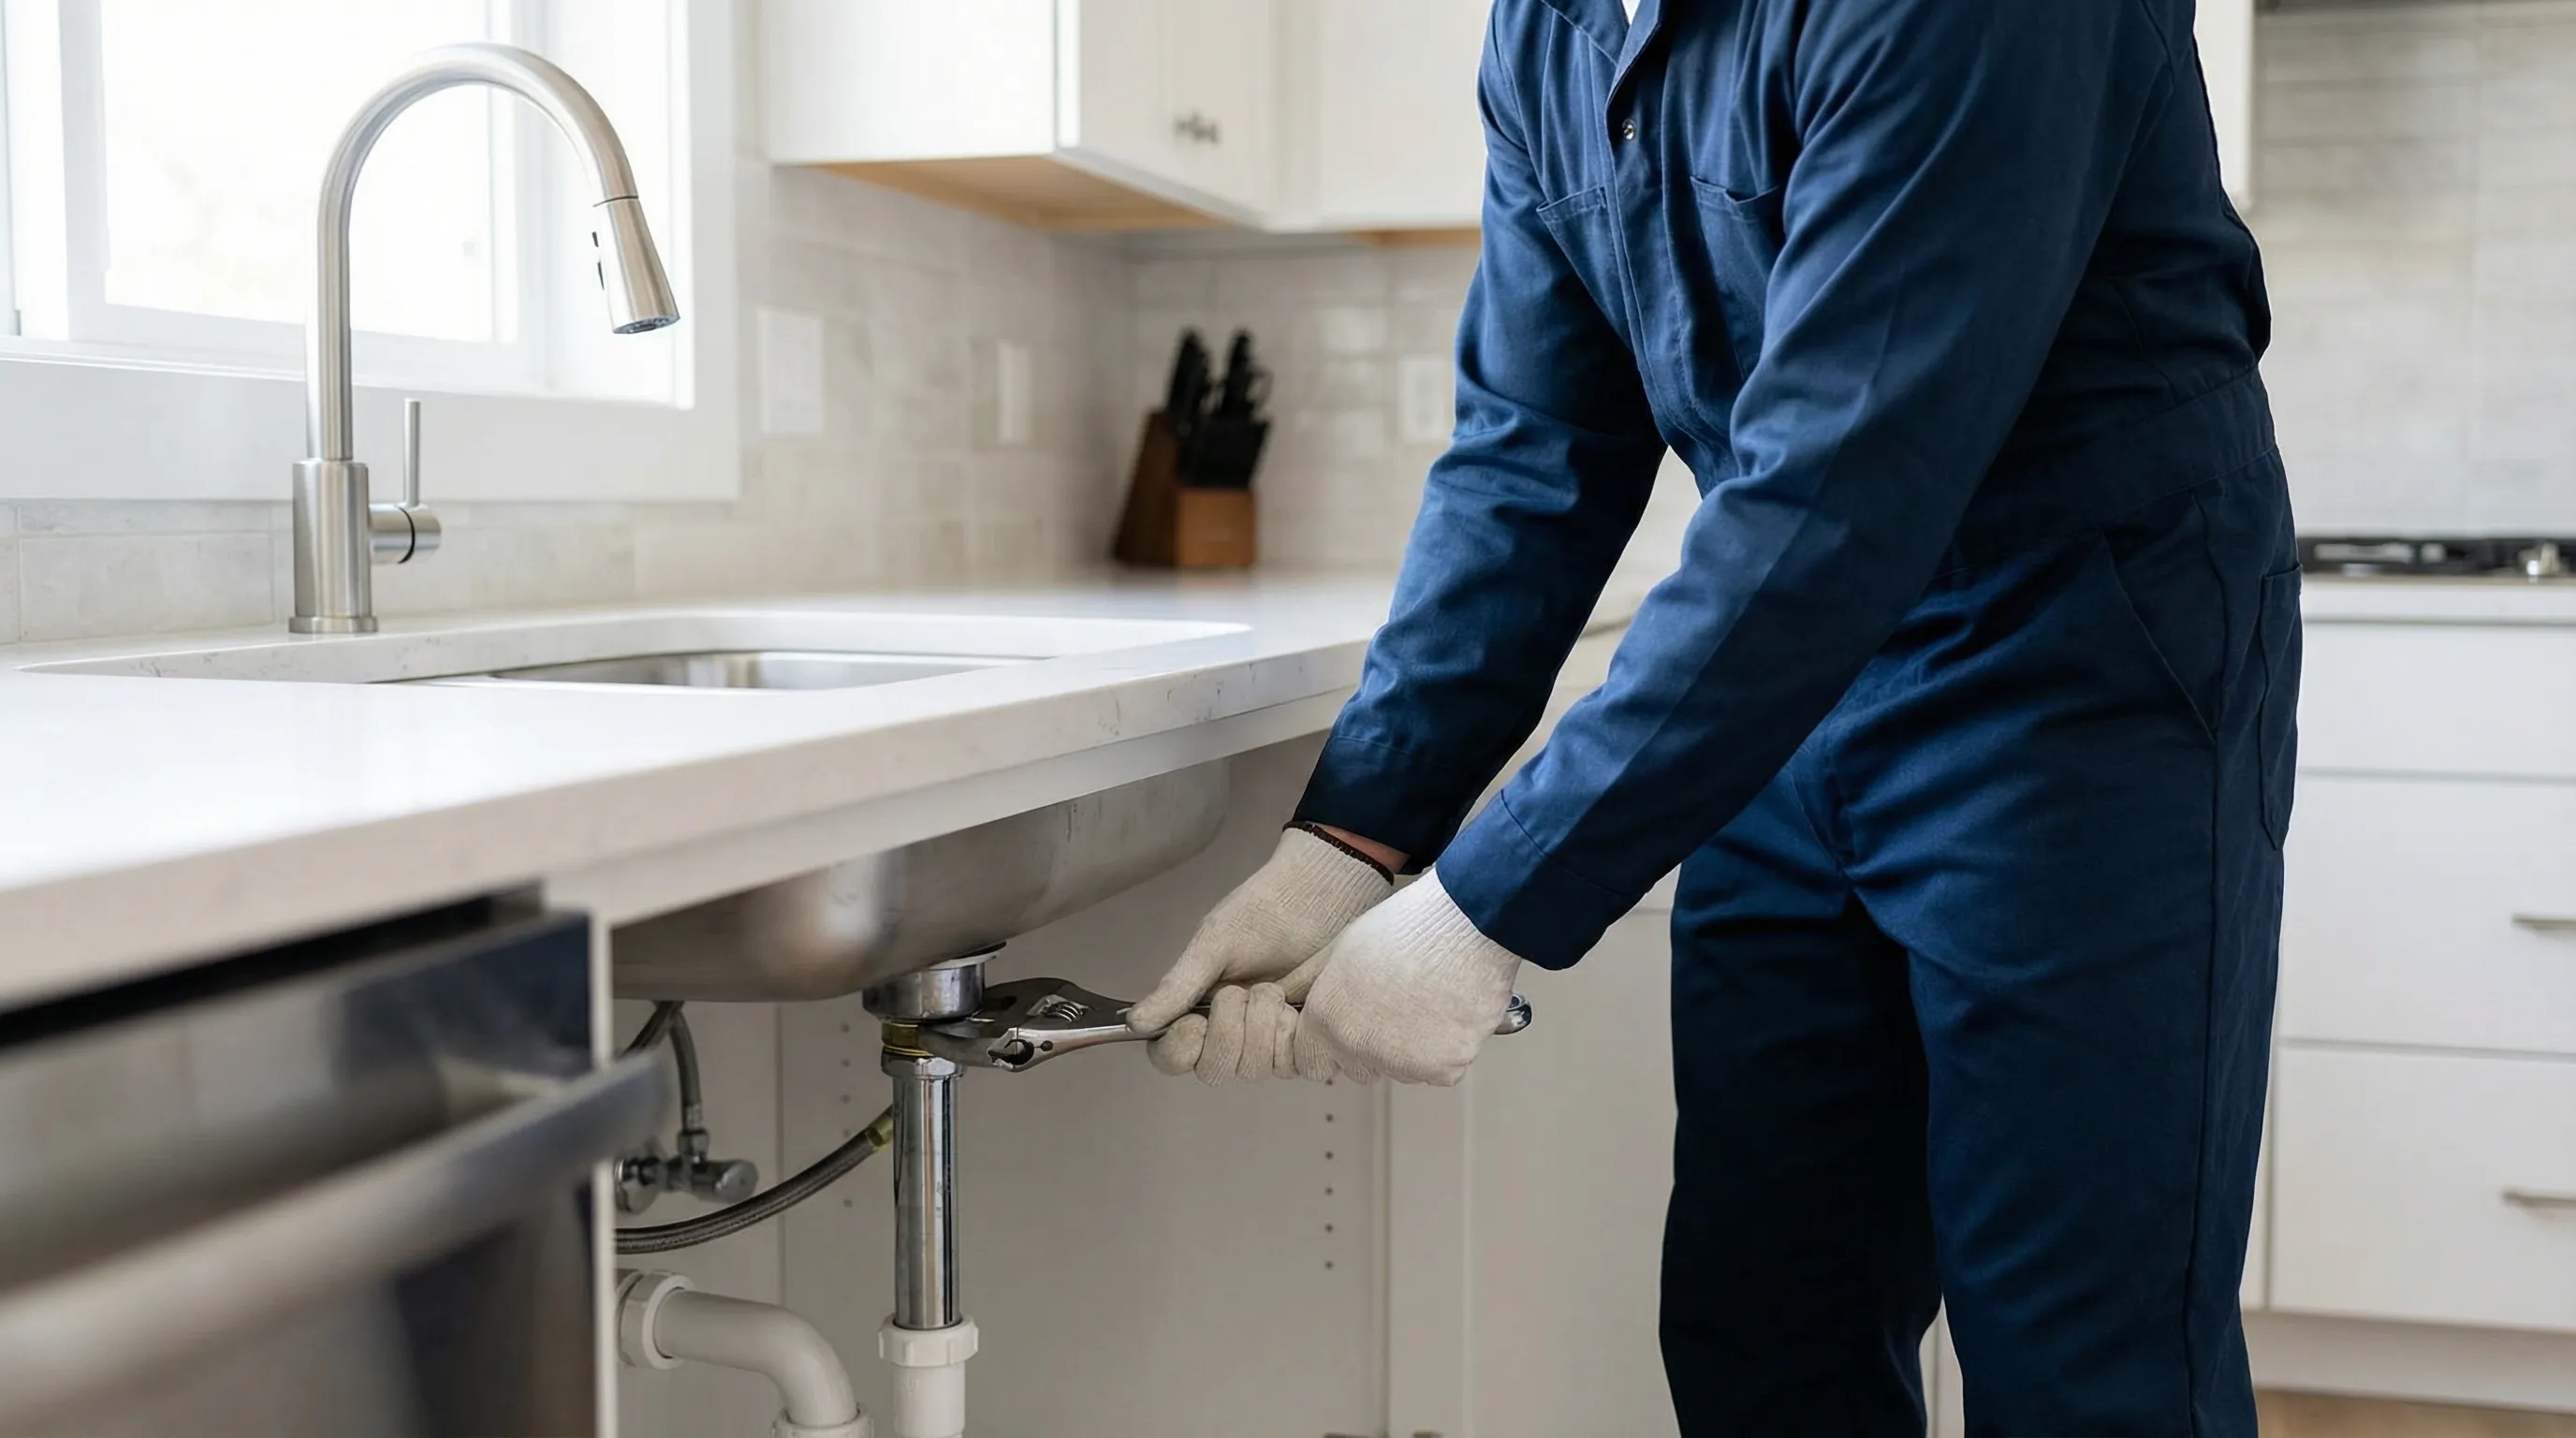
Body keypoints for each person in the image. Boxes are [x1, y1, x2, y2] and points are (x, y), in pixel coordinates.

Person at [1129, 0, 2298, 1431]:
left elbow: (1848, 474)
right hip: (1782, 683)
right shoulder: (1553, 32)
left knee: (2084, 1363)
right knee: (1766, 1321)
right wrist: (1353, 836)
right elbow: (1532, 454)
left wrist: (1483, 909)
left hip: (2074, 672)